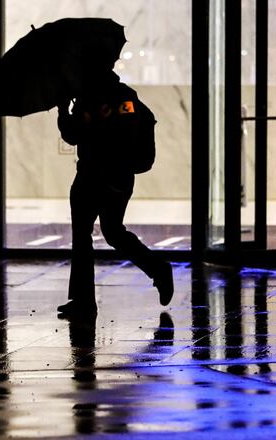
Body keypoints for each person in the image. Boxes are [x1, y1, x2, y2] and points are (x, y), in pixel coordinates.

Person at [55, 67, 174, 319]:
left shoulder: (87, 98)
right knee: (113, 232)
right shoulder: (126, 96)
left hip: (90, 176)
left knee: (83, 237)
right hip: (120, 178)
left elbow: (72, 135)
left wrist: (63, 110)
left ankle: (83, 300)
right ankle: (158, 269)